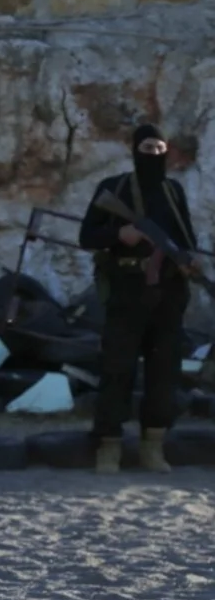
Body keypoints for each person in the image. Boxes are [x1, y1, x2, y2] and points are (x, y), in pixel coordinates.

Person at [79, 124, 197, 475]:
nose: (155, 155)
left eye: (160, 149)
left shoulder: (173, 191)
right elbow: (87, 236)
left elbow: (185, 238)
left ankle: (153, 447)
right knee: (117, 369)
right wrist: (120, 233)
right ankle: (109, 447)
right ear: (134, 150)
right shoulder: (113, 188)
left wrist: (189, 262)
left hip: (168, 293)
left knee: (164, 372)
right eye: (148, 148)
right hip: (127, 290)